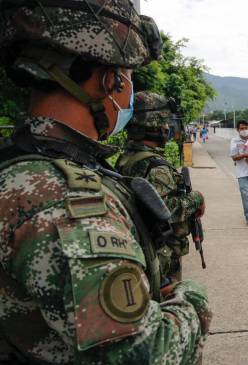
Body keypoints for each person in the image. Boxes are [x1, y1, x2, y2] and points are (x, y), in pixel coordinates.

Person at [0, 3, 211, 363]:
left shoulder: (20, 165)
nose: (129, 92)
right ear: (108, 81)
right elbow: (149, 352)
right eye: (129, 78)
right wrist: (193, 299)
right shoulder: (64, 199)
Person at [116, 91, 206, 284]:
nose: (167, 127)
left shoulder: (128, 157)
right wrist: (197, 198)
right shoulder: (156, 166)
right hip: (161, 249)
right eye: (164, 123)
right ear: (153, 125)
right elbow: (164, 210)